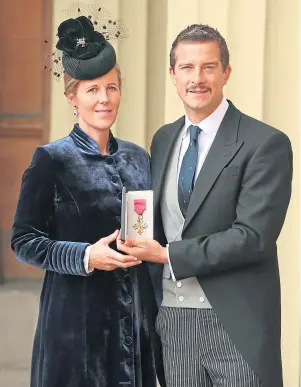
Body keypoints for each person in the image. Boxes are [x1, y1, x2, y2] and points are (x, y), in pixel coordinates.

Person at [117, 24, 293, 387]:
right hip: (173, 321)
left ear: (226, 72)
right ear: (172, 74)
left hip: (234, 323)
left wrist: (167, 255)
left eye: (209, 67)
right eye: (187, 67)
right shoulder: (164, 139)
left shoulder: (264, 143)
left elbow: (253, 237)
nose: (197, 78)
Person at [11, 16, 164, 387]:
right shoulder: (51, 159)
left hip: (135, 323)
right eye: (92, 90)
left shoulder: (138, 157)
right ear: (72, 97)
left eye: (111, 88)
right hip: (75, 326)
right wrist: (84, 256)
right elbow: (23, 241)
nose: (104, 99)